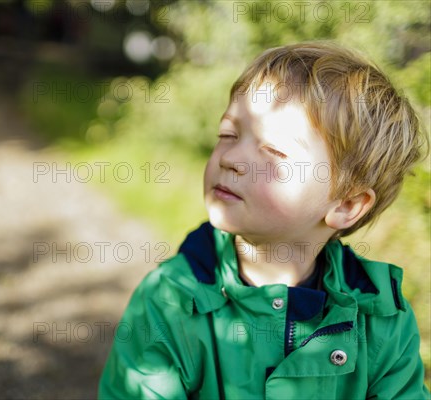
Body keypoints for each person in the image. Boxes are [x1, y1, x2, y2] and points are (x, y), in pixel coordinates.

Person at [98, 42, 430, 399]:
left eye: (273, 151)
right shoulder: (170, 301)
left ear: (347, 204)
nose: (231, 158)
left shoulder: (382, 320)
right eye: (228, 134)